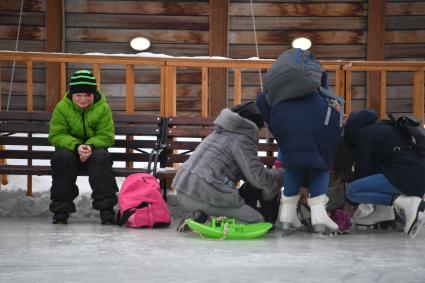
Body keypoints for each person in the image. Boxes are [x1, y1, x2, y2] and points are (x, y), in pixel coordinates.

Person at [256, 48, 344, 234]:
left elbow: (262, 100)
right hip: (318, 116)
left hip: (283, 119)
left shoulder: (276, 80)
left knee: (292, 162)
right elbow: (325, 92)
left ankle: (287, 215)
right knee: (321, 161)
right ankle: (319, 215)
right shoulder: (313, 69)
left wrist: (276, 124)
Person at [172, 101, 284, 227]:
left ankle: (201, 215)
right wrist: (283, 175)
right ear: (253, 125)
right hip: (204, 194)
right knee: (256, 221)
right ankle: (209, 220)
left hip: (183, 189)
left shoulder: (218, 133)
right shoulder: (242, 139)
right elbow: (258, 178)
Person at [48, 70, 119, 225]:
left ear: (93, 94)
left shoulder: (103, 108)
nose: (83, 99)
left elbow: (107, 135)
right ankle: (61, 210)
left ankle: (106, 210)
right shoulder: (62, 107)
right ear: (71, 95)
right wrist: (76, 146)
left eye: (87, 95)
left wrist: (90, 146)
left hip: (94, 150)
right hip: (70, 150)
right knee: (62, 158)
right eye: (78, 95)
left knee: (101, 158)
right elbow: (57, 134)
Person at [343, 109, 425, 237]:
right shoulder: (383, 127)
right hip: (416, 175)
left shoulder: (363, 135)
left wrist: (350, 205)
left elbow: (362, 172)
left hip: (407, 176)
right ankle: (390, 210)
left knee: (352, 191)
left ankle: (408, 204)